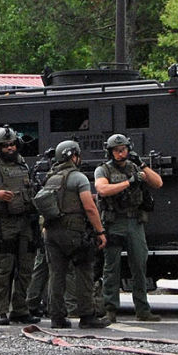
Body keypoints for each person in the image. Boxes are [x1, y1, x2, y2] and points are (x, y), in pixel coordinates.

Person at [93, 133, 163, 321]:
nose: (120, 153)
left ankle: (142, 309)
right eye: (116, 150)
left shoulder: (135, 168)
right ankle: (110, 309)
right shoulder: (103, 170)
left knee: (139, 266)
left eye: (123, 149)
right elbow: (102, 189)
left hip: (134, 222)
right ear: (110, 152)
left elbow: (158, 183)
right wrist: (128, 183)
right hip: (114, 222)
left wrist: (143, 166)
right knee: (111, 267)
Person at [41, 140, 110, 330]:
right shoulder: (78, 178)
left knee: (56, 275)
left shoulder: (51, 177)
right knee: (84, 271)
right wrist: (100, 231)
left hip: (52, 233)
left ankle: (57, 318)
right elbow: (89, 207)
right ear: (73, 156)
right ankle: (87, 316)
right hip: (74, 232)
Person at [0, 126, 37, 323]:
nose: (10, 148)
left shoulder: (22, 165)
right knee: (5, 268)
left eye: (12, 144)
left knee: (26, 267)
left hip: (24, 222)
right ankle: (0, 310)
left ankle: (20, 309)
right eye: (5, 145)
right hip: (4, 223)